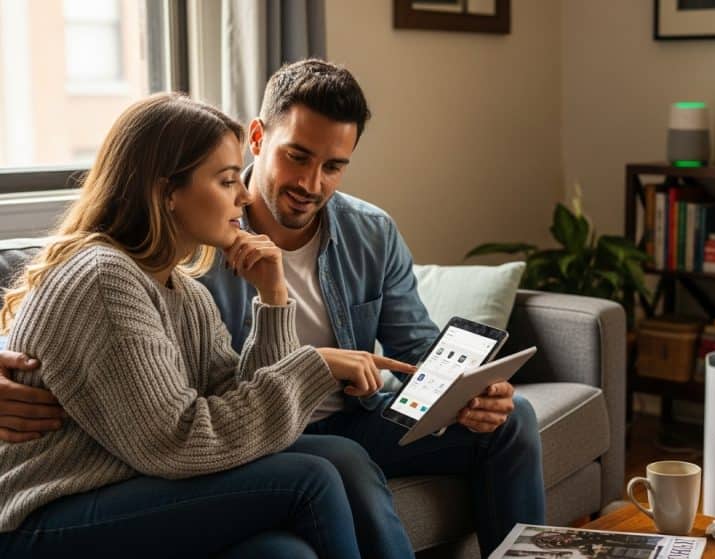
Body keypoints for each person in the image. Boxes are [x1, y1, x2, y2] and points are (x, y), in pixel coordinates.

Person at [0, 58, 547, 557]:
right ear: (259, 139)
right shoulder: (153, 266)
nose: (311, 183)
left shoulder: (184, 284)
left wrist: (471, 387)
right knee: (325, 469)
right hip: (156, 470)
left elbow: (236, 387)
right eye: (296, 157)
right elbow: (174, 432)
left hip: (282, 430)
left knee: (507, 418)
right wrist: (316, 363)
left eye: (334, 166)